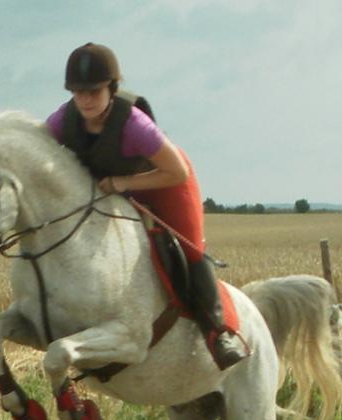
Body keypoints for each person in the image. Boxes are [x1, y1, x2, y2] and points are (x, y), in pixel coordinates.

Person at [45, 42, 246, 369]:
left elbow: (175, 171)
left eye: (93, 91)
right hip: (114, 189)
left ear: (112, 87)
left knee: (190, 247)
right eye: (78, 92)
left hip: (164, 181)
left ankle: (217, 332)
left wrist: (123, 184)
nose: (85, 99)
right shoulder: (62, 119)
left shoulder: (134, 124)